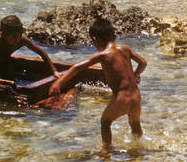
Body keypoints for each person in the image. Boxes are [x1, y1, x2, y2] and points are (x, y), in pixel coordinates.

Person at [49, 18, 146, 149]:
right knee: (134, 123)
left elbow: (77, 67)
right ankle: (139, 149)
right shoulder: (125, 49)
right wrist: (134, 76)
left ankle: (107, 149)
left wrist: (59, 82)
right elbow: (143, 63)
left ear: (95, 40)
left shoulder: (103, 55)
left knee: (105, 122)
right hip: (136, 95)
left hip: (121, 97)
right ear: (115, 35)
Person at [0, 15, 58, 82]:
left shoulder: (23, 40)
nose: (16, 39)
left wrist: (54, 72)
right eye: (12, 37)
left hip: (5, 60)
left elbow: (42, 53)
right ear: (3, 35)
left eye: (18, 35)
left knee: (11, 82)